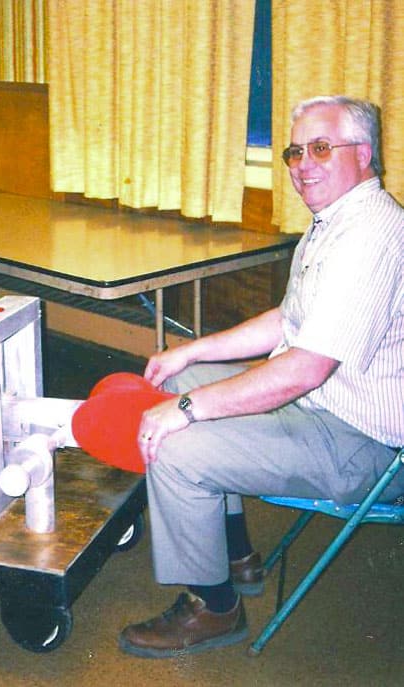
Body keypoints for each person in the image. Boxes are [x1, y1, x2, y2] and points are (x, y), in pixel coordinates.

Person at [118, 95, 404, 658]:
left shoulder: (372, 234)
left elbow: (305, 368)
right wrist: (189, 355)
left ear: (363, 153)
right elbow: (288, 320)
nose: (302, 164)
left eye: (321, 148)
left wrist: (187, 411)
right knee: (187, 378)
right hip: (324, 405)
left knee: (178, 448)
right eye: (295, 151)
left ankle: (214, 607)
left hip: (361, 442)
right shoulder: (338, 218)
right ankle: (238, 555)